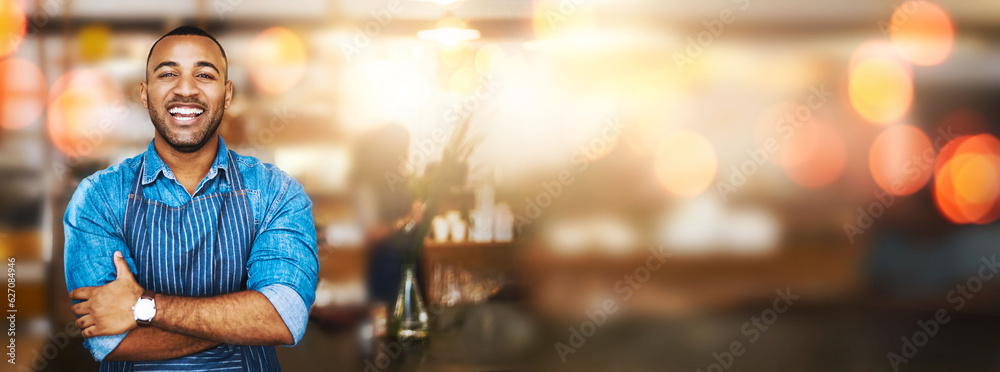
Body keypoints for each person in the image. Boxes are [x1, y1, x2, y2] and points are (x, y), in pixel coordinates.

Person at [63, 26, 318, 371]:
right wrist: (246, 316)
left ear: (227, 95)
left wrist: (144, 306)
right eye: (168, 74)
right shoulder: (98, 198)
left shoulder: (277, 193)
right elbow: (110, 341)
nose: (186, 89)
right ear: (144, 93)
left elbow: (284, 318)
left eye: (204, 75)